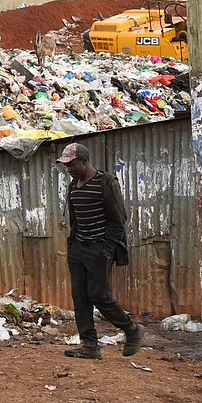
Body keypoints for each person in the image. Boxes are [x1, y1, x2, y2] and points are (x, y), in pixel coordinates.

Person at [58, 143, 144, 359]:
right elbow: (75, 220)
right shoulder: (73, 185)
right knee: (80, 296)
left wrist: (106, 250)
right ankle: (90, 346)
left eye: (72, 164)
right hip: (79, 248)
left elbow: (119, 219)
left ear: (85, 162)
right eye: (66, 166)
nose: (68, 169)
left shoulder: (106, 182)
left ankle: (132, 330)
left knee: (98, 294)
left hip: (99, 248)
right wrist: (72, 245)